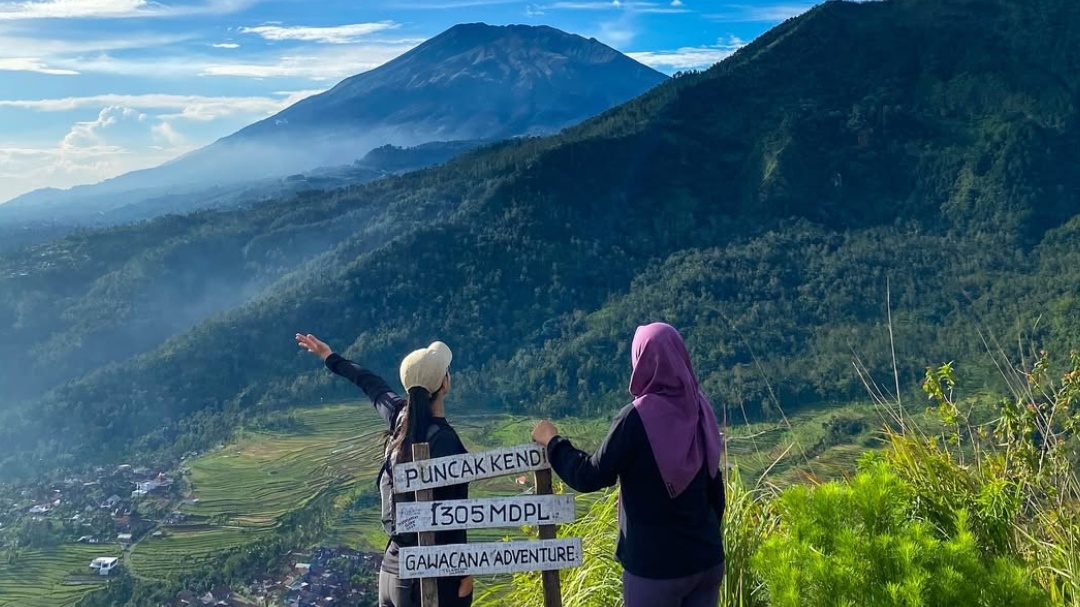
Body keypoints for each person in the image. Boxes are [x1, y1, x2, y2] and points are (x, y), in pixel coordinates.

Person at [531, 323, 724, 607]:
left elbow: (589, 475)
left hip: (655, 568)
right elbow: (714, 485)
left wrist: (553, 442)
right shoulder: (699, 406)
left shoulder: (636, 419)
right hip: (706, 561)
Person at [296, 333, 474, 607]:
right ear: (444, 383)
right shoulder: (446, 441)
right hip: (428, 576)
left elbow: (371, 384)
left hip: (391, 570)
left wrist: (329, 357)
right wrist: (463, 575)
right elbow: (453, 515)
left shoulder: (400, 417)